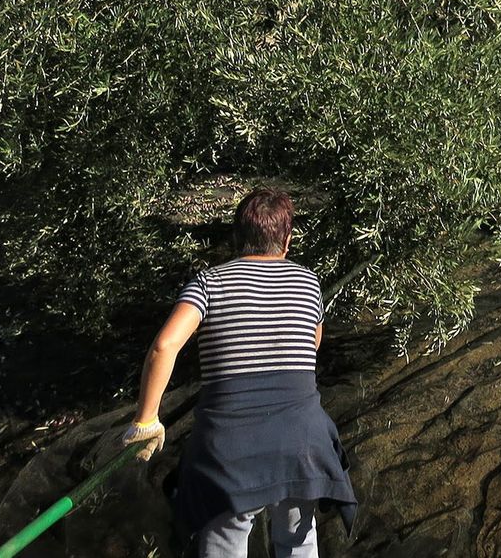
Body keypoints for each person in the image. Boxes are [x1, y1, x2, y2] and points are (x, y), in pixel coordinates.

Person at [118, 187, 357, 557]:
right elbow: (311, 346)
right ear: (287, 239)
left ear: (237, 236)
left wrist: (146, 419)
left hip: (230, 455)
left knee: (223, 546)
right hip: (303, 447)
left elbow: (165, 346)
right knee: (299, 546)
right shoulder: (309, 283)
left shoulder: (207, 284)